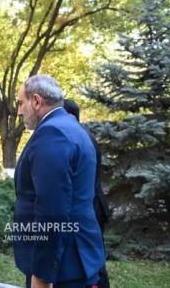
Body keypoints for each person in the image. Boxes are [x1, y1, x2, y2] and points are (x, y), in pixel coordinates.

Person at [14, 75, 104, 288]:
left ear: (36, 101)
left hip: (62, 265)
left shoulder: (52, 134)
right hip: (76, 253)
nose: (18, 111)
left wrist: (42, 273)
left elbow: (52, 209)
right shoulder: (71, 127)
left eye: (20, 103)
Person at [63, 99, 110, 288]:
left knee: (91, 262)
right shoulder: (83, 136)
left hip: (89, 207)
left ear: (69, 115)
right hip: (94, 204)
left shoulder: (78, 138)